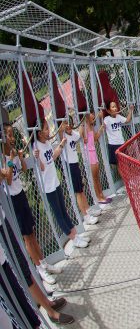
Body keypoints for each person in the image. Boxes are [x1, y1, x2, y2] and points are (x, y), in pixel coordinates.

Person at [2, 124, 65, 291]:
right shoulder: (3, 156)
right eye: (8, 135)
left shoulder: (13, 151)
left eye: (11, 134)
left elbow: (22, 169)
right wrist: (10, 159)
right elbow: (7, 179)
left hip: (20, 194)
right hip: (12, 200)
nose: (12, 138)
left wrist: (20, 157)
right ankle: (39, 269)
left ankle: (44, 263)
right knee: (26, 237)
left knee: (32, 231)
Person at [0, 210, 75, 325]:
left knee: (23, 267)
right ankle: (49, 312)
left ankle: (47, 304)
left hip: (2, 221)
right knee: (19, 274)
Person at [32, 124, 89, 256]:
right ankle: (74, 239)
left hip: (55, 182)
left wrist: (62, 144)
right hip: (48, 187)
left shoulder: (46, 143)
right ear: (39, 133)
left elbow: (52, 157)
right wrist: (36, 157)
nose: (49, 131)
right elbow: (41, 167)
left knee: (64, 210)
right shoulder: (36, 146)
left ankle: (76, 236)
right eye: (46, 129)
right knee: (59, 214)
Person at [58, 121, 100, 229]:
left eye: (69, 123)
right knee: (78, 191)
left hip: (75, 163)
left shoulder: (72, 134)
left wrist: (81, 122)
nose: (68, 126)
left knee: (81, 189)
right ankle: (85, 216)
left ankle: (88, 211)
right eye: (65, 124)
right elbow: (60, 133)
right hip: (70, 165)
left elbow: (80, 134)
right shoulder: (63, 135)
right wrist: (61, 128)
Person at [102, 101, 134, 168]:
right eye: (113, 107)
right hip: (113, 144)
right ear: (108, 110)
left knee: (125, 162)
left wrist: (131, 110)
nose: (115, 108)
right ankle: (124, 177)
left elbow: (127, 120)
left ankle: (126, 177)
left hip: (121, 143)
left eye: (115, 106)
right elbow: (103, 127)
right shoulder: (107, 119)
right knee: (118, 164)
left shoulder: (119, 117)